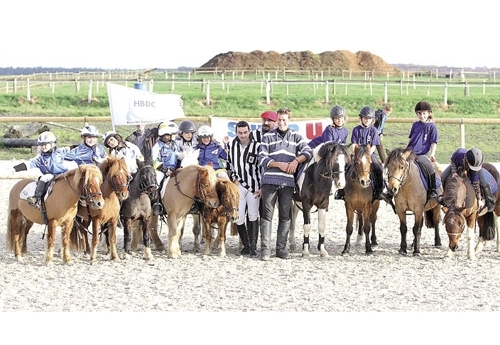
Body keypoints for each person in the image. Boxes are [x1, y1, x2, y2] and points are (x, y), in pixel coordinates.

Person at [258, 107, 313, 260]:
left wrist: (296, 160)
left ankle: (281, 249)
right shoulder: (267, 137)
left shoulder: (296, 137)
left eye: (284, 120)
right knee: (267, 215)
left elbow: (308, 152)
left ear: (289, 121)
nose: (281, 122)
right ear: (276, 120)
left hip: (287, 183)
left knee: (285, 216)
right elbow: (262, 158)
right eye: (279, 119)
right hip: (269, 181)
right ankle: (265, 250)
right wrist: (278, 164)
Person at [334, 106, 384, 201]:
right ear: (361, 118)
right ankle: (342, 191)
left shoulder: (374, 130)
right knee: (346, 167)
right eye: (365, 118)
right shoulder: (356, 129)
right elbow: (354, 144)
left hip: (369, 154)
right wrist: (355, 153)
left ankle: (379, 190)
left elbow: (374, 145)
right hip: (357, 154)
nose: (367, 121)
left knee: (378, 168)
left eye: (369, 119)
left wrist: (367, 154)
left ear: (372, 120)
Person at [227, 121, 261, 257]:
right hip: (239, 184)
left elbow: (261, 167)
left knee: (253, 215)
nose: (243, 135)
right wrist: (233, 178)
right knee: (239, 217)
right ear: (236, 132)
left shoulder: (257, 146)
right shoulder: (231, 145)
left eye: (245, 132)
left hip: (254, 186)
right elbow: (230, 164)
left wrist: (262, 186)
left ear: (249, 132)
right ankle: (246, 245)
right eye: (240, 133)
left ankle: (253, 246)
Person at [25, 131, 76, 208]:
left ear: (52, 144)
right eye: (41, 145)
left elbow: (71, 148)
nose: (43, 147)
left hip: (64, 174)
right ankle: (37, 198)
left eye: (45, 144)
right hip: (50, 176)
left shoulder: (60, 151)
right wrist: (14, 169)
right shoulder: (39, 158)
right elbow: (27, 164)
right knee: (44, 177)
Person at [441, 148, 495, 212]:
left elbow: (475, 183)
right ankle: (444, 198)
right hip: (459, 165)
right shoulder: (458, 153)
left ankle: (490, 201)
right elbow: (453, 161)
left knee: (483, 182)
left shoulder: (475, 167)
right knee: (443, 176)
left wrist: (479, 199)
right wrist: (454, 172)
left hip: (472, 168)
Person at [406, 101, 439, 200]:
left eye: (424, 113)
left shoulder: (432, 127)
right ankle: (392, 189)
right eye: (419, 113)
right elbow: (410, 139)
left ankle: (432, 189)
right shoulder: (415, 124)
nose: (422, 116)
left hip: (421, 154)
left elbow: (434, 142)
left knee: (430, 168)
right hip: (410, 151)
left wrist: (432, 154)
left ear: (429, 113)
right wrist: (404, 150)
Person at [151, 121, 180, 216]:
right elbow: (154, 160)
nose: (168, 136)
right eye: (166, 135)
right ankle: (157, 203)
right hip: (161, 170)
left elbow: (179, 156)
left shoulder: (175, 145)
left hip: (175, 169)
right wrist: (165, 170)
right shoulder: (157, 146)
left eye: (169, 135)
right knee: (157, 181)